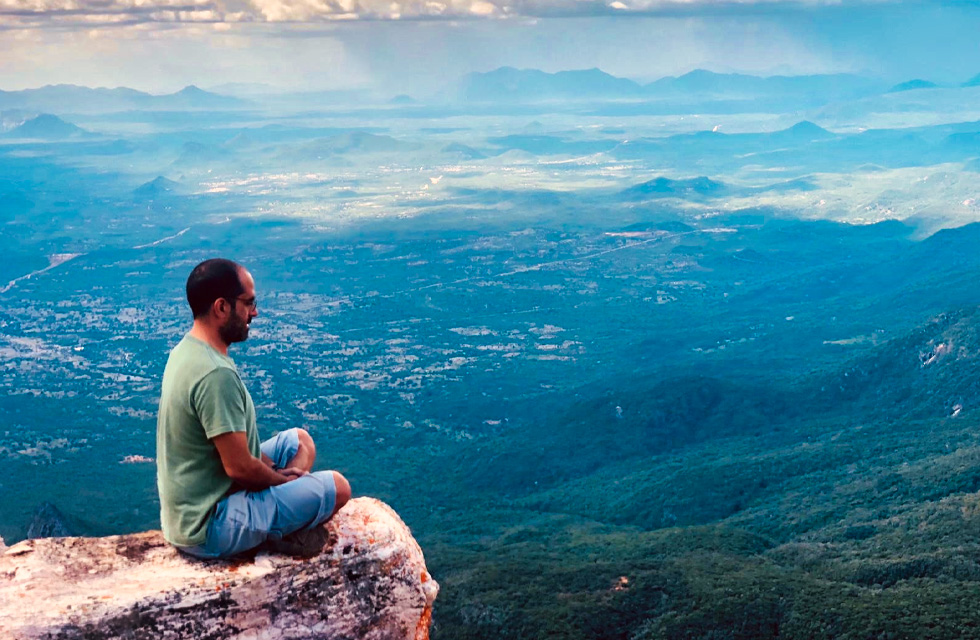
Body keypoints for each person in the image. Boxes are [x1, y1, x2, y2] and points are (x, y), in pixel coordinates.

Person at [156, 258, 351, 558]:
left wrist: (277, 474)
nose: (255, 312)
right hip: (210, 526)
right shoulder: (214, 374)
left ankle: (279, 514)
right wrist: (281, 480)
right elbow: (239, 467)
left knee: (299, 441)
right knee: (338, 488)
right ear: (221, 307)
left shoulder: (186, 351)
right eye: (248, 303)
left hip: (196, 506)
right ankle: (276, 530)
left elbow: (234, 449)